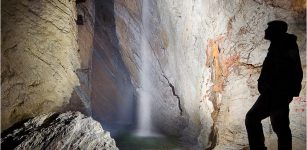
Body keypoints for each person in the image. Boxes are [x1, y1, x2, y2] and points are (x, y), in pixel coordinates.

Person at [245, 20, 303, 150]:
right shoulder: (279, 45)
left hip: (277, 93)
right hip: (274, 93)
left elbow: (295, 70)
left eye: (269, 28)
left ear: (276, 31)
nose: (266, 31)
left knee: (253, 118)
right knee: (281, 127)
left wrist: (284, 91)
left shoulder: (286, 44)